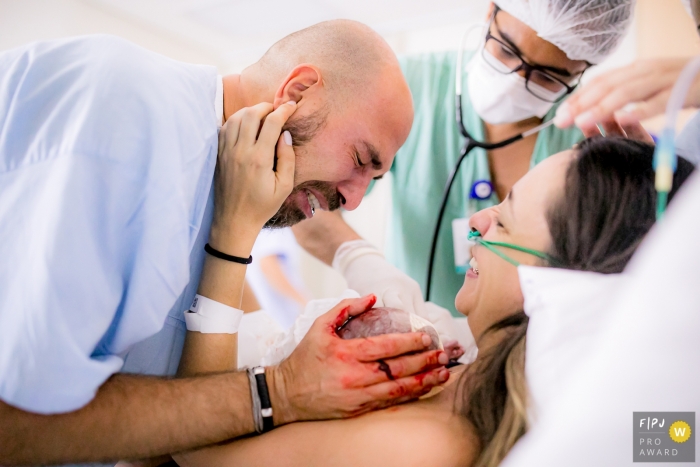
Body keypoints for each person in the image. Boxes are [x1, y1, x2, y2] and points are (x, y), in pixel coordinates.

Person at [0, 21, 452, 466]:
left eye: (373, 179)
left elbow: (156, 429)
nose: (353, 200)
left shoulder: (223, 196)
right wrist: (282, 390)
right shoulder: (126, 109)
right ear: (296, 93)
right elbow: (17, 421)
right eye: (360, 160)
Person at [170, 136, 694, 467]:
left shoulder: (430, 446)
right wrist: (340, 244)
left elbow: (193, 447)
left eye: (504, 220)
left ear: (559, 284)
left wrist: (232, 236)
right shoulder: (458, 356)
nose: (478, 224)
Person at [293, 0, 635, 323]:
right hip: (409, 333)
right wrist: (360, 261)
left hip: (520, 352)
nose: (515, 81)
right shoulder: (411, 90)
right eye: (506, 50)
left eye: (546, 77)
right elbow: (305, 196)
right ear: (491, 12)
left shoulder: (589, 136)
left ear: (582, 70)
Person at [246, 228, 309, 329]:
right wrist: (306, 304)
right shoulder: (280, 223)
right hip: (276, 318)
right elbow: (269, 265)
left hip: (266, 316)